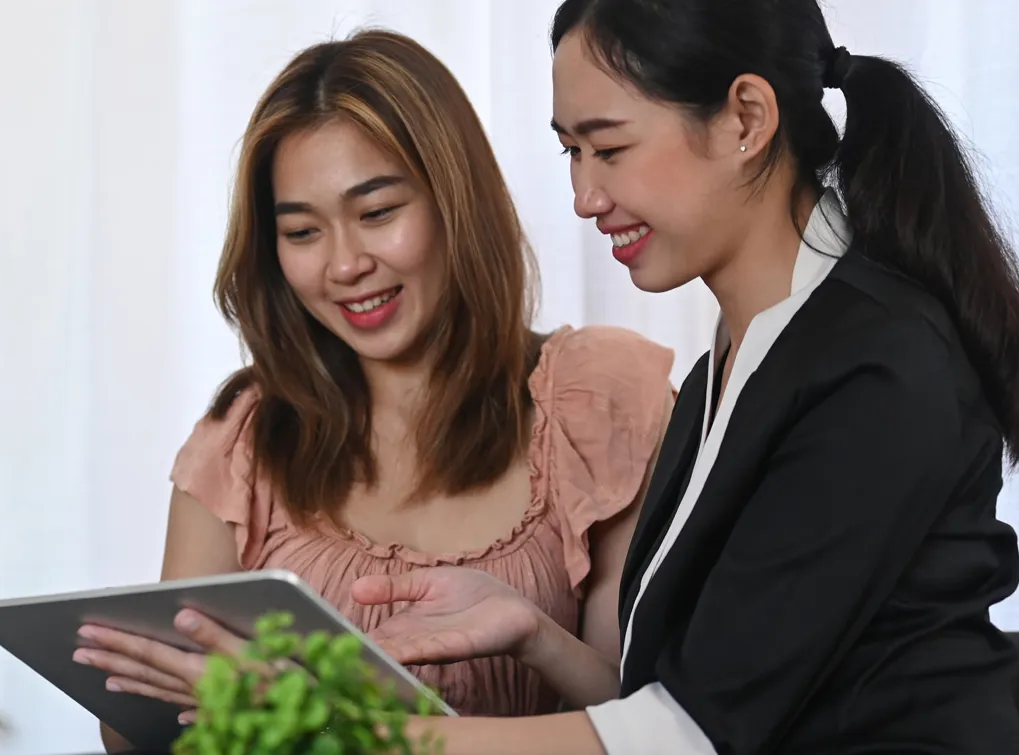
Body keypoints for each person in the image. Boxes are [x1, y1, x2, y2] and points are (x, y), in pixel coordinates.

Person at [150, 1, 1019, 753]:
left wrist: (339, 729)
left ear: (746, 119)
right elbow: (668, 699)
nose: (584, 196)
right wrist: (527, 628)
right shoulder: (724, 376)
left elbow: (690, 733)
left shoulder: (877, 365)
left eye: (609, 148)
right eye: (571, 154)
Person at [74, 28, 677, 750]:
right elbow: (135, 735)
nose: (345, 265)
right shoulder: (244, 438)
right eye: (302, 232)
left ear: (456, 201)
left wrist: (534, 638)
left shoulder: (596, 400)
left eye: (377, 213)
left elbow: (655, 722)